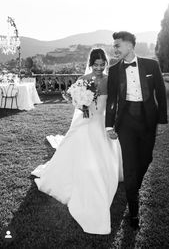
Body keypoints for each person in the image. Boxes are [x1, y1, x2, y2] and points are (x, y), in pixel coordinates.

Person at [31, 48, 123, 235]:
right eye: (95, 64)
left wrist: (112, 125)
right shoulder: (83, 79)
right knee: (80, 151)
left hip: (103, 123)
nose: (98, 68)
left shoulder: (110, 80)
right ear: (91, 63)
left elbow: (114, 104)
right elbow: (78, 105)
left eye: (102, 64)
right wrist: (82, 104)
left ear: (106, 63)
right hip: (85, 123)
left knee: (103, 154)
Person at [106, 31, 168, 230]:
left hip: (148, 120)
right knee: (130, 165)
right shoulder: (114, 70)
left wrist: (162, 121)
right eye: (114, 45)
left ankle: (134, 186)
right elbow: (112, 100)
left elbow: (161, 93)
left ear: (130, 46)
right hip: (125, 123)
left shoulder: (151, 65)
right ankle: (134, 212)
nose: (115, 49)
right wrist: (109, 125)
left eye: (118, 45)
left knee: (146, 159)